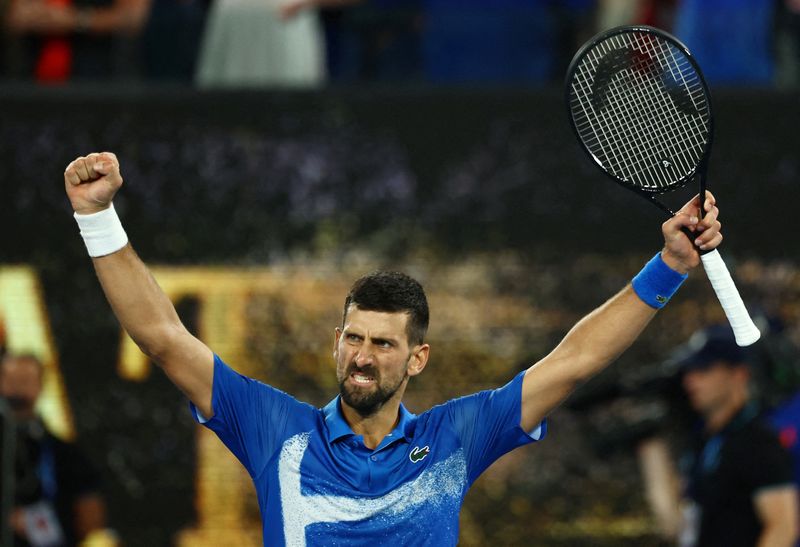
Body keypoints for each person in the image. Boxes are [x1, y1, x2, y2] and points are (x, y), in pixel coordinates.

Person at [63, 151, 722, 545]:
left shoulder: (458, 435)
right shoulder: (276, 431)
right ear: (336, 343)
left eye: (382, 342)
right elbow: (161, 337)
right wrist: (96, 216)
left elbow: (576, 358)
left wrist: (667, 265)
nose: (363, 354)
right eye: (353, 337)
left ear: (416, 358)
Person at [638, 326, 798, 547]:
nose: (691, 381)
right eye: (688, 372)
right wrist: (650, 449)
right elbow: (676, 526)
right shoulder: (704, 440)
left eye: (703, 370)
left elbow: (783, 528)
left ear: (738, 374)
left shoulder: (758, 442)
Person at [0, 353, 107, 546]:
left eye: (24, 381)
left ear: (40, 386)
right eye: (10, 380)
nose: (16, 388)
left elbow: (90, 518)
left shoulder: (65, 454)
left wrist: (38, 525)